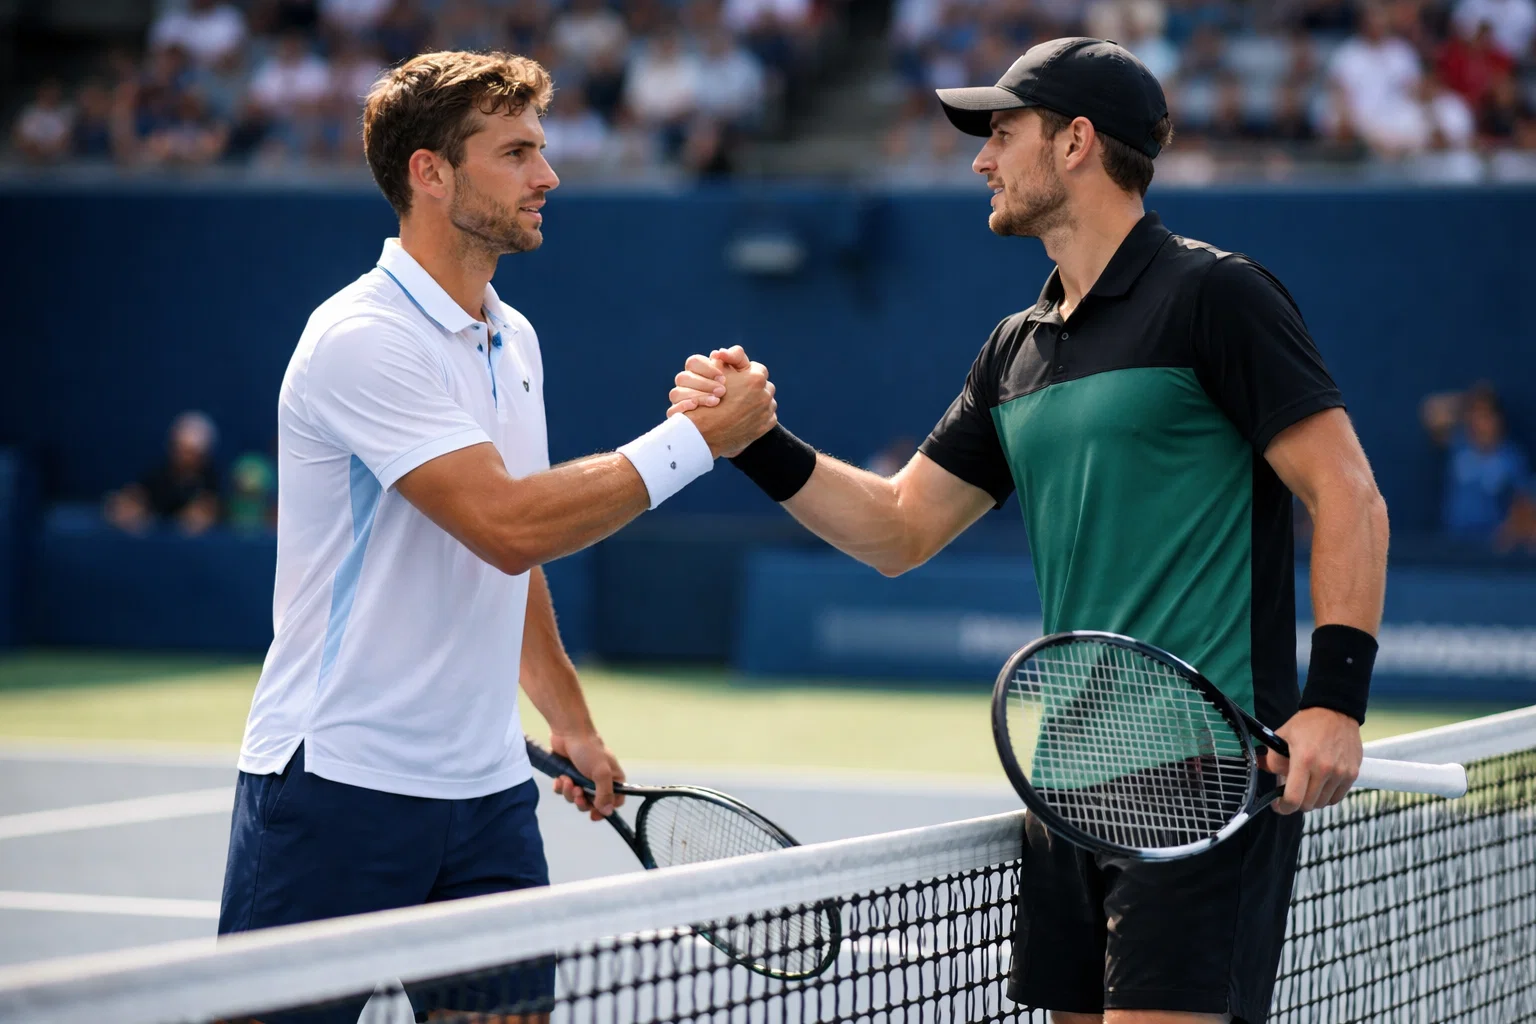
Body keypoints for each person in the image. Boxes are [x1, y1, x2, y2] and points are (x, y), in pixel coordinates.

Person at [668, 37, 1388, 1024]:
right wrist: (756, 441)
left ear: (1077, 142)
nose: (980, 159)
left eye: (1002, 134)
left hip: (1199, 773)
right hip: (1062, 787)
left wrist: (1334, 703)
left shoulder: (1216, 295)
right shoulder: (1015, 347)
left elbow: (1347, 492)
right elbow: (897, 528)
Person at [217, 50, 774, 1023]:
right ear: (430, 172)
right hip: (336, 786)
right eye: (516, 152)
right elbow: (508, 526)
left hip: (486, 797)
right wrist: (696, 442)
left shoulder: (513, 339)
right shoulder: (360, 338)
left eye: (542, 151)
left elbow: (505, 561)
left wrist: (570, 720)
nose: (547, 175)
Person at [1421, 382, 1536, 550]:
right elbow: (1431, 411)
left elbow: (1523, 502)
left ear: (1497, 419)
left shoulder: (1510, 457)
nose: (1479, 422)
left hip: (1487, 546)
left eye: (1485, 416)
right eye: (1475, 415)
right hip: (1453, 542)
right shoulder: (1459, 446)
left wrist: (1507, 534)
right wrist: (1467, 399)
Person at [104, 411, 221, 535]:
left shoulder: (212, 483)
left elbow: (212, 511)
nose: (184, 457)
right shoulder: (158, 476)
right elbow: (135, 497)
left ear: (203, 455)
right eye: (179, 449)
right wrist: (129, 505)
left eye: (191, 452)